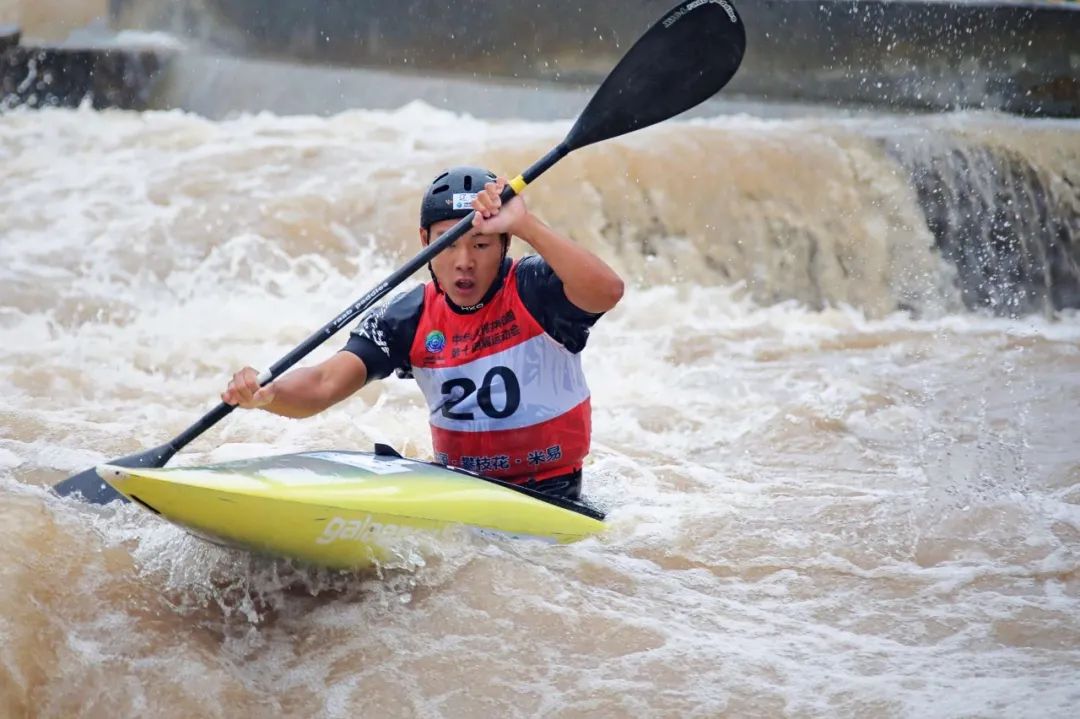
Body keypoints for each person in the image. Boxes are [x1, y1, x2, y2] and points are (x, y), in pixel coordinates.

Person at [221, 166, 624, 500]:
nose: (463, 262)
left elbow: (608, 290)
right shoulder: (408, 317)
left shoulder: (535, 289)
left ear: (505, 244)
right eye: (447, 245)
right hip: (458, 492)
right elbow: (326, 382)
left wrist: (526, 225)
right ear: (424, 242)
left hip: (553, 495)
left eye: (481, 245)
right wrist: (269, 394)